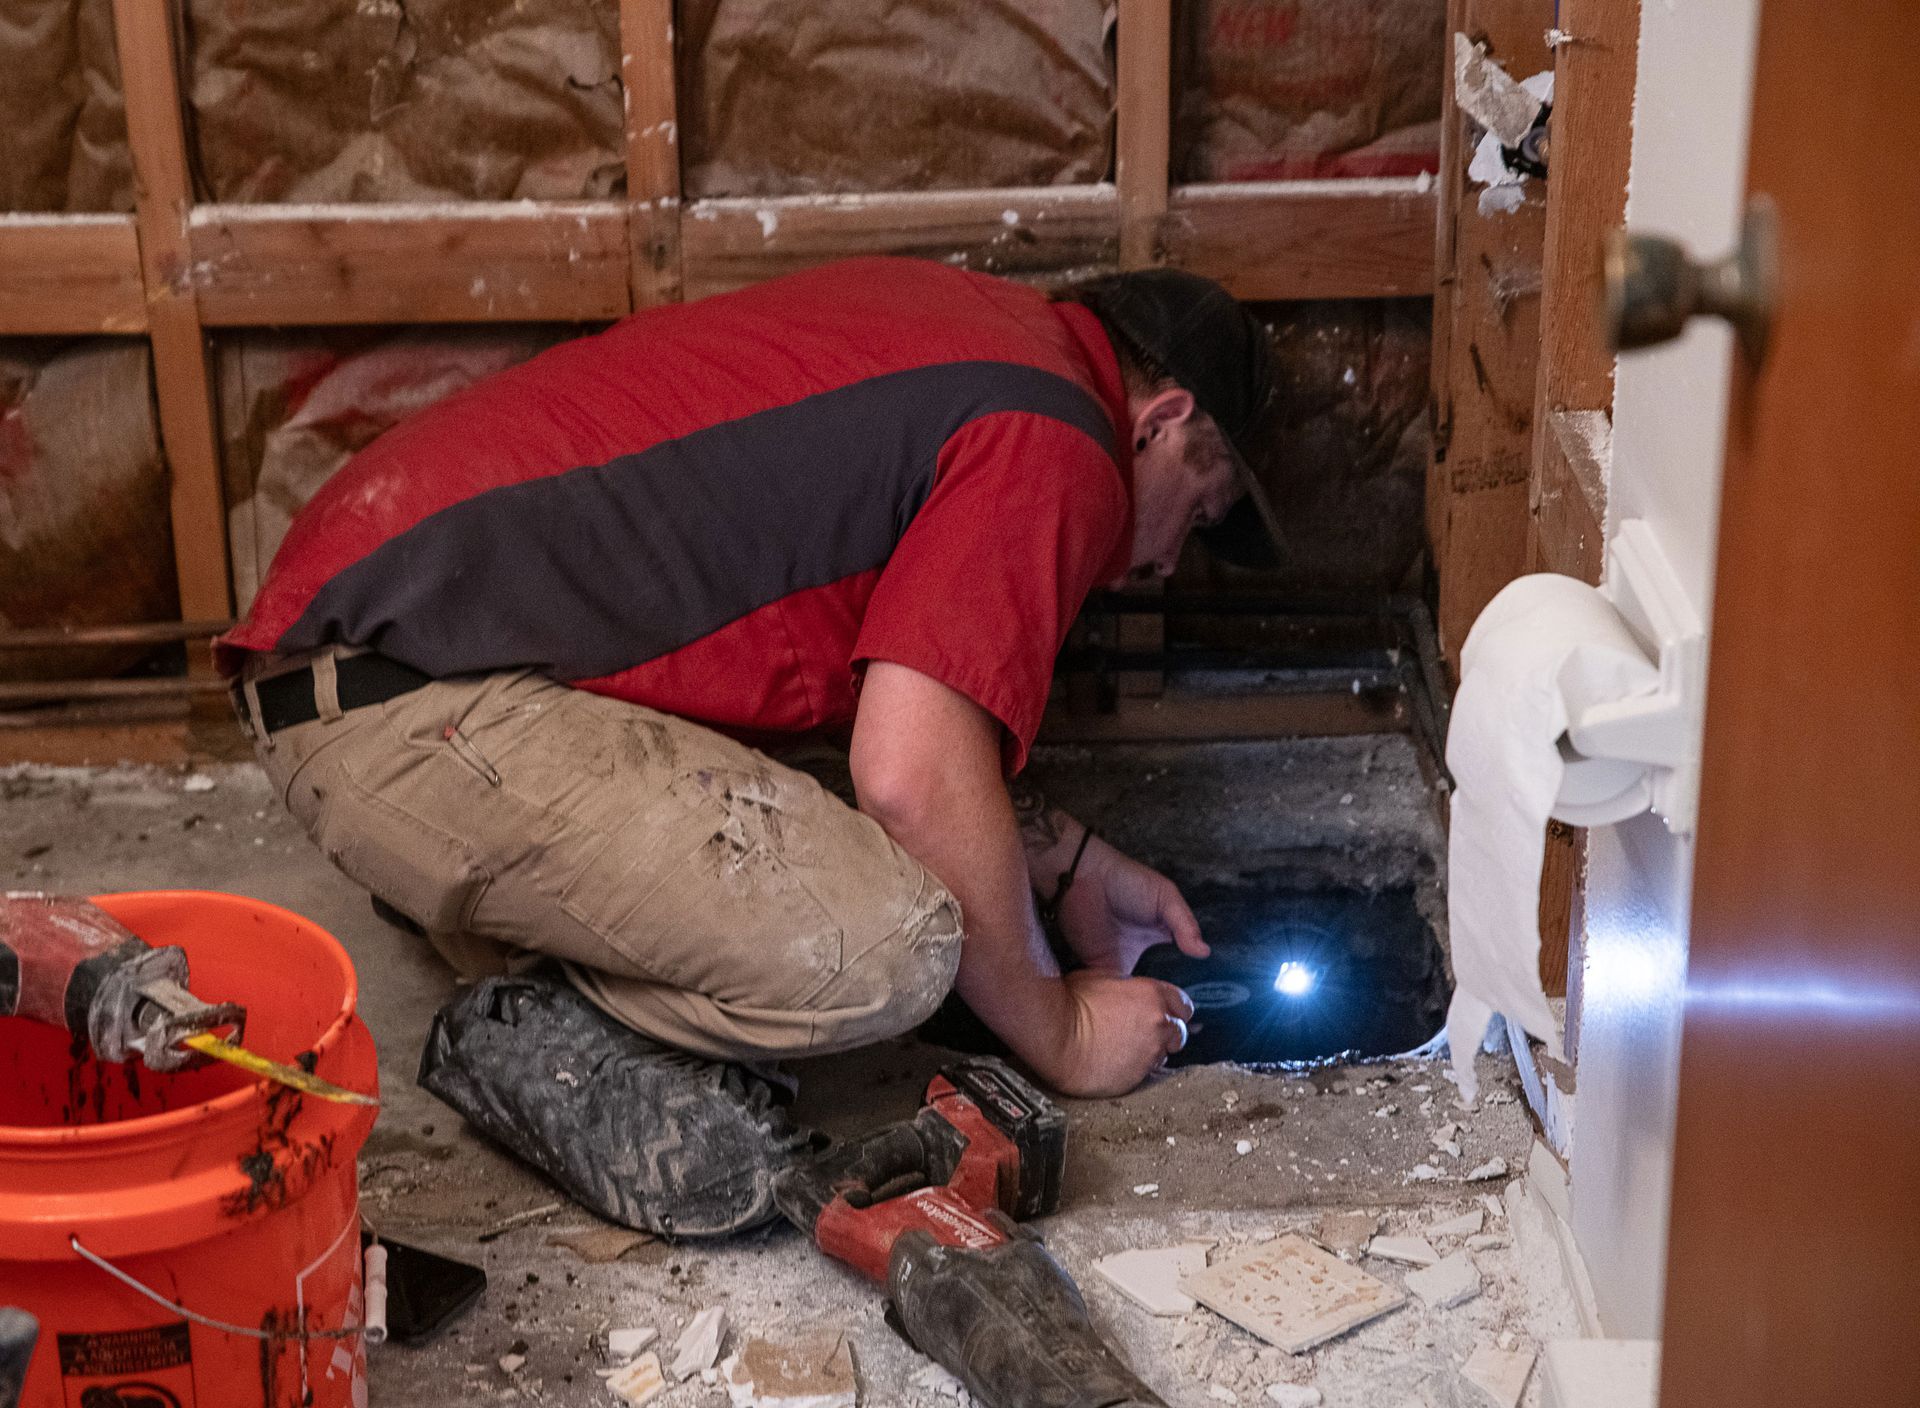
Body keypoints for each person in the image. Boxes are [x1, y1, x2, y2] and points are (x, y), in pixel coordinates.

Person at [218, 256, 1281, 1235]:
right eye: (1202, 508)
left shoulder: (988, 341)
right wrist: (1065, 1033)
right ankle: (532, 1003)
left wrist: (1072, 860)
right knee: (892, 943)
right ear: (1163, 421)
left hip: (401, 657)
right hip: (395, 704)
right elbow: (909, 778)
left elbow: (891, 732)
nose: (1170, 564)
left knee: (863, 848)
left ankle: (487, 904)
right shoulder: (1061, 435)